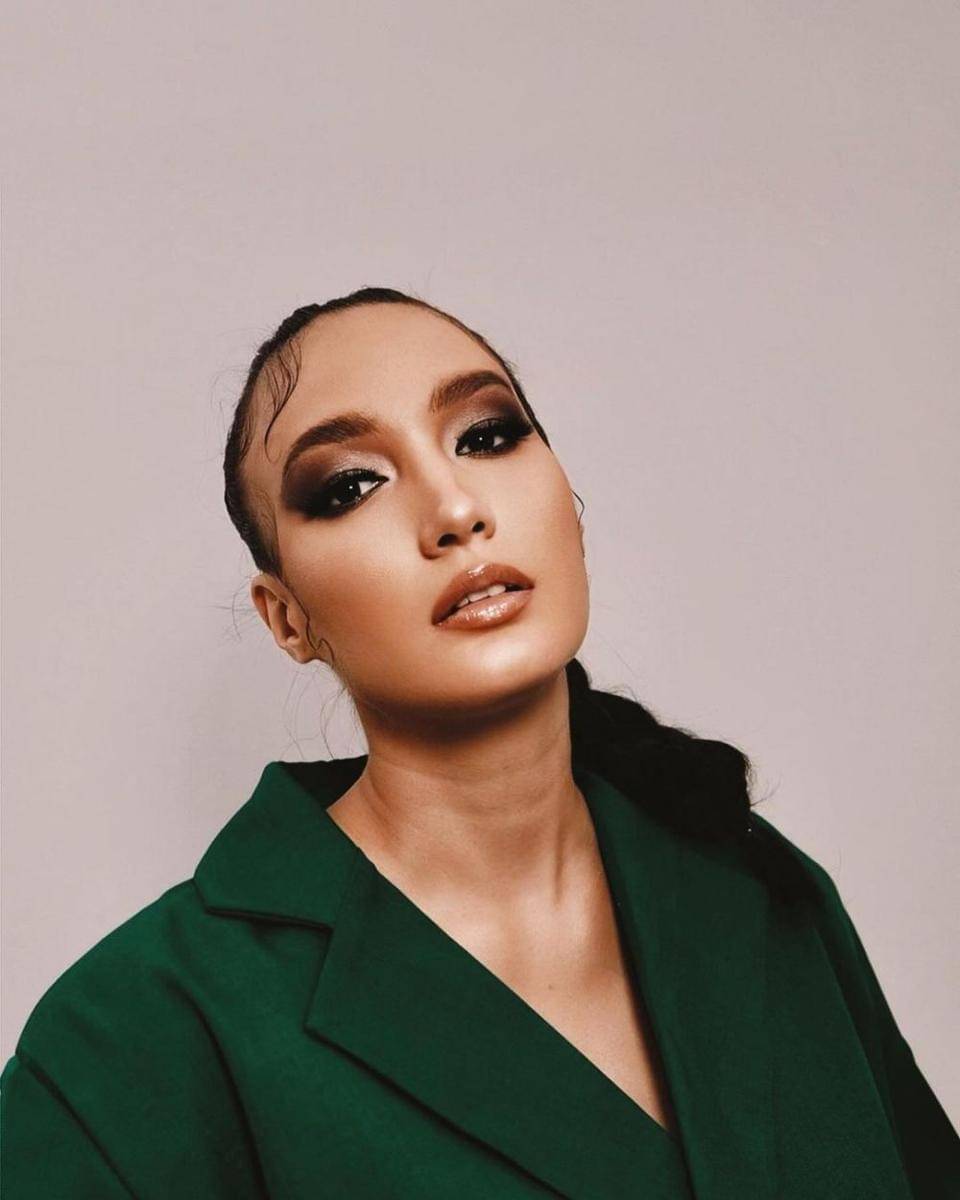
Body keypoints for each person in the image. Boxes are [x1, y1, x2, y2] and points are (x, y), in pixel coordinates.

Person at [2, 287, 958, 1198]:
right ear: (287, 618)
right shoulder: (132, 1038)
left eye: (487, 436)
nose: (456, 509)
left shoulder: (760, 890)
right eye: (351, 485)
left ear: (569, 501)